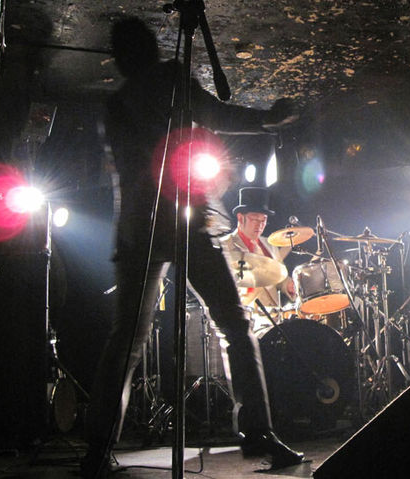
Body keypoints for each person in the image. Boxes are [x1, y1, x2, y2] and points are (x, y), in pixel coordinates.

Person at [81, 17, 303, 478]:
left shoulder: (116, 104)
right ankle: (258, 433)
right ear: (151, 50)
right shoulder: (168, 79)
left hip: (141, 226)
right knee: (234, 326)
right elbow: (217, 115)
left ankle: (97, 451)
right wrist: (265, 119)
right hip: (183, 219)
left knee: (127, 341)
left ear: (120, 59)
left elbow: (132, 169)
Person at [220, 187, 296, 323]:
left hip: (275, 318)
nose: (260, 225)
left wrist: (289, 285)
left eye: (264, 220)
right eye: (254, 219)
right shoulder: (225, 246)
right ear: (240, 218)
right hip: (248, 320)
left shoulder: (269, 244)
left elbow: (279, 278)